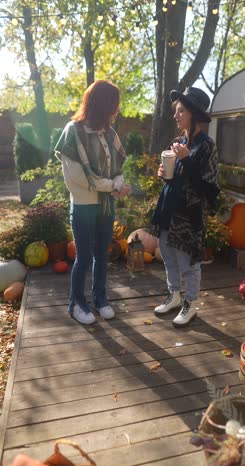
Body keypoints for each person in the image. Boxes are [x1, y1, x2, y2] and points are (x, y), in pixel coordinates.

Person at [55, 80, 131, 325]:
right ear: (101, 104)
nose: (116, 110)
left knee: (102, 255)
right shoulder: (73, 131)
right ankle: (76, 303)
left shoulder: (108, 132)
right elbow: (76, 177)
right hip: (83, 206)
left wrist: (119, 183)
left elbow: (117, 166)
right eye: (113, 105)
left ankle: (100, 299)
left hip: (105, 205)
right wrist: (113, 186)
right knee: (84, 258)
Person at [151, 87, 219, 327]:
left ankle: (190, 304)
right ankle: (174, 296)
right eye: (176, 111)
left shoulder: (206, 147)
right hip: (169, 208)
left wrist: (186, 161)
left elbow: (209, 189)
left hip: (189, 216)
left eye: (180, 110)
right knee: (168, 256)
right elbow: (180, 180)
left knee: (189, 263)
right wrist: (166, 175)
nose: (175, 115)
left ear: (194, 113)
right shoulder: (179, 142)